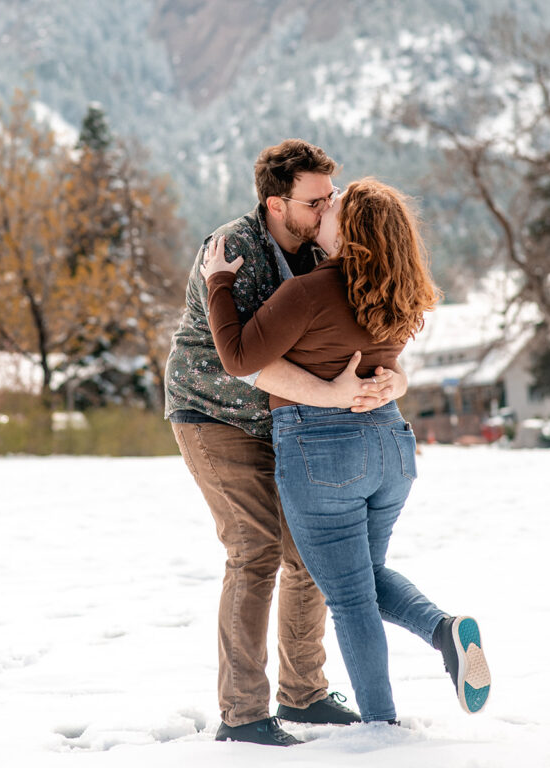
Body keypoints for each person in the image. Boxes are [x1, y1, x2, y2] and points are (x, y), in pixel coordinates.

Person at [201, 177, 491, 725]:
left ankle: (381, 724)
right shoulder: (395, 298)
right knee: (363, 576)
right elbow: (384, 364)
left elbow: (239, 357)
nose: (325, 206)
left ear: (351, 231)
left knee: (352, 598)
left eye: (335, 204)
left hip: (324, 450)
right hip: (390, 446)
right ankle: (444, 631)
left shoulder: (308, 292)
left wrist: (218, 284)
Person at [164, 141, 408, 745]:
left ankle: (305, 695)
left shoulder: (326, 251)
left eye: (332, 194)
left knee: (310, 555)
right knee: (255, 551)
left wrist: (393, 378)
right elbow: (247, 362)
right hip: (214, 413)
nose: (330, 206)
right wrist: (336, 397)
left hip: (287, 423)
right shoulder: (234, 250)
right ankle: (243, 713)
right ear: (276, 203)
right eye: (316, 199)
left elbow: (362, 333)